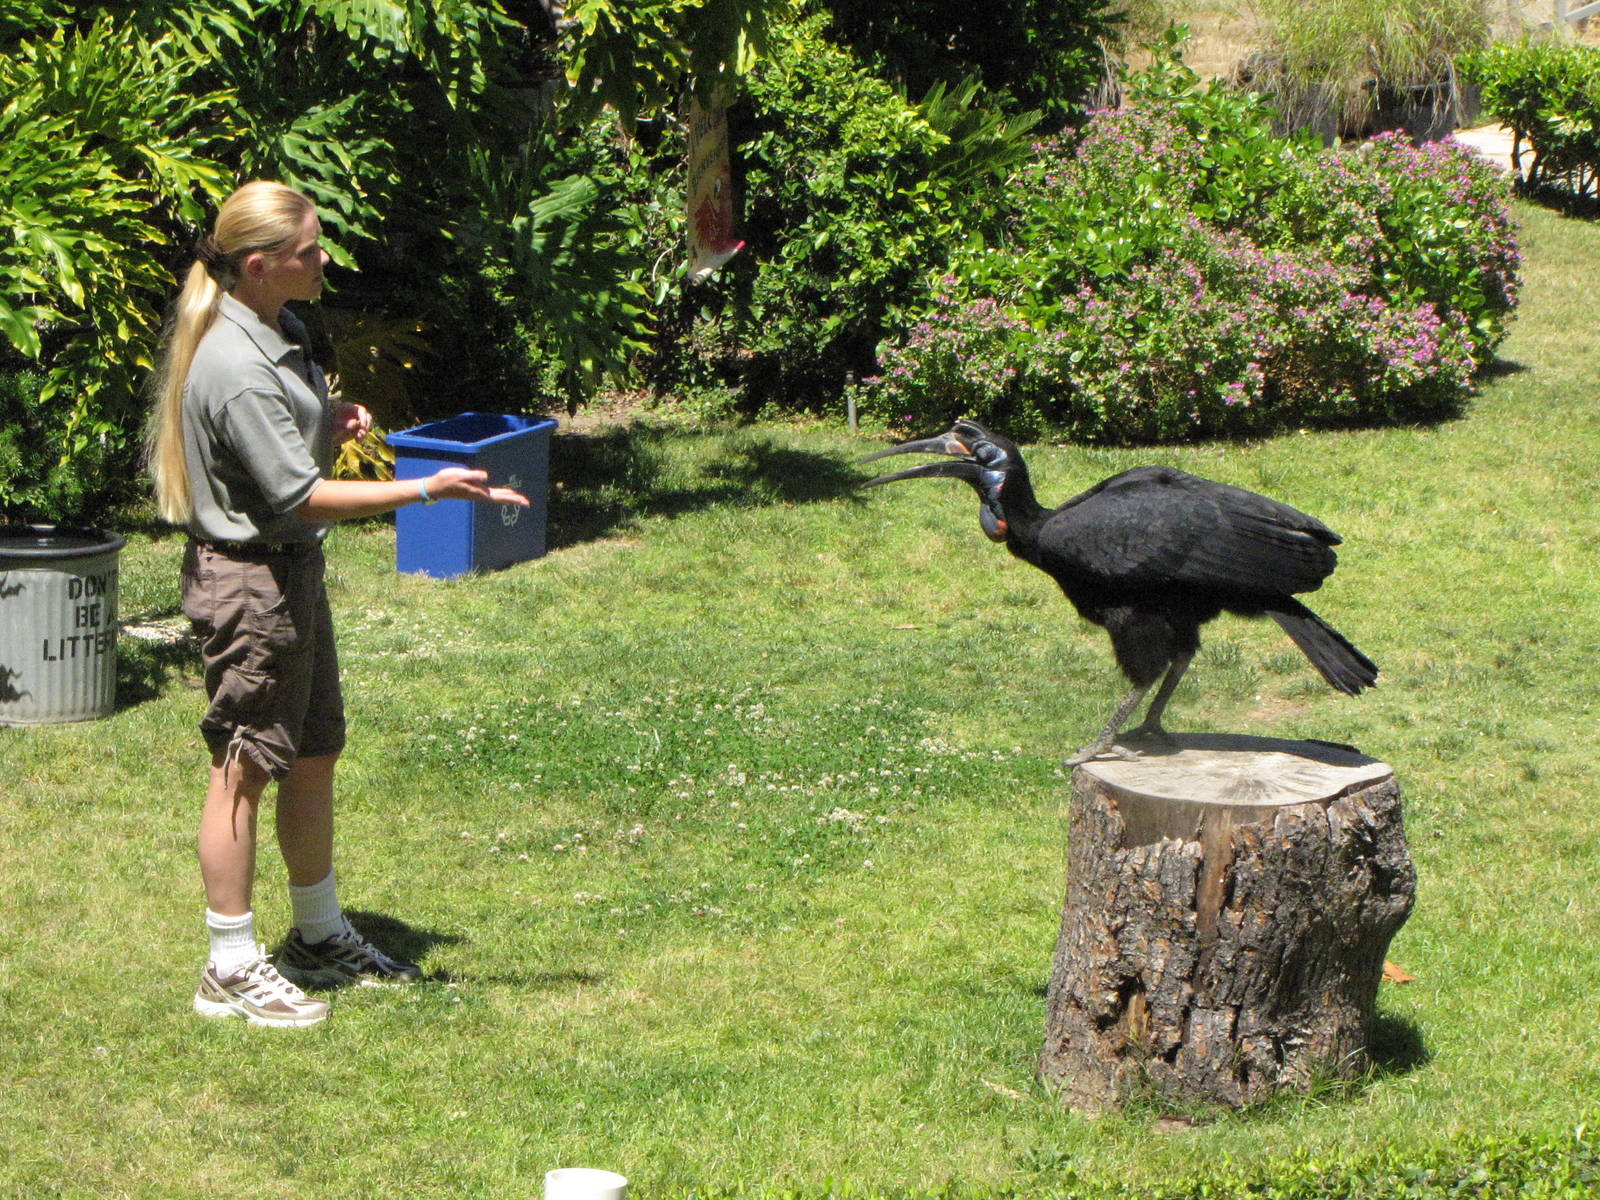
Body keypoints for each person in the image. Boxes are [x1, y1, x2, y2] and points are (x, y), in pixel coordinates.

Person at [146, 181, 529, 1027]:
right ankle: (229, 963)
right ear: (260, 265)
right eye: (310, 250)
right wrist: (426, 489)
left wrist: (329, 416)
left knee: (312, 752)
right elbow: (300, 497)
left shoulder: (281, 330)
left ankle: (316, 936)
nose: (324, 261)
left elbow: (285, 446)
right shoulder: (236, 364)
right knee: (244, 769)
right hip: (251, 583)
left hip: (289, 576)